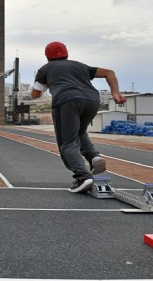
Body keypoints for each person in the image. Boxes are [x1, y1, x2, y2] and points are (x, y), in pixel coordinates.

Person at [31, 41, 126, 193]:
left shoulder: (45, 69)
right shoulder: (80, 66)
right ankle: (94, 158)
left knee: (67, 143)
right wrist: (115, 93)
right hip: (92, 100)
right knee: (80, 132)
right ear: (67, 54)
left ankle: (82, 177)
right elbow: (110, 73)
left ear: (47, 57)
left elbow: (35, 94)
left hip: (68, 100)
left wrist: (44, 87)